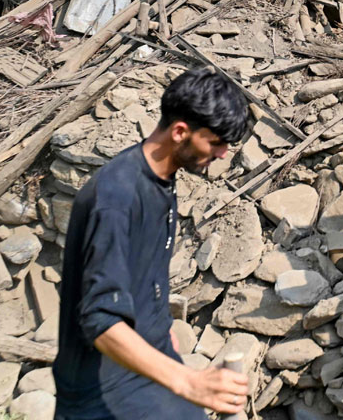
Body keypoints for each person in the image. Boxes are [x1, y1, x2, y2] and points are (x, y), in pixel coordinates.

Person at [54, 68, 253, 420]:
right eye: (216, 143)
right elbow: (101, 319)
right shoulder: (116, 197)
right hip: (104, 388)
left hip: (149, 365)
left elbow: (145, 276)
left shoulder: (161, 180)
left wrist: (165, 337)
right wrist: (187, 381)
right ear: (180, 132)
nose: (223, 155)